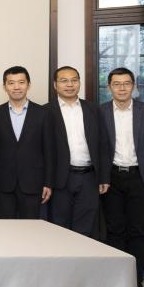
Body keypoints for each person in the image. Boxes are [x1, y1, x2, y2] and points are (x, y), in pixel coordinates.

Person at [99, 67, 144, 287]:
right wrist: (103, 177)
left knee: (138, 230)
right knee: (114, 230)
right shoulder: (100, 112)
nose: (122, 88)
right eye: (117, 84)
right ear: (109, 87)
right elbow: (99, 147)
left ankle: (136, 280)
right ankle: (116, 280)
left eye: (126, 83)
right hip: (112, 178)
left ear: (134, 86)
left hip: (139, 177)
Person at [45, 65, 109, 235]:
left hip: (89, 178)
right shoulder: (45, 111)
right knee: (59, 227)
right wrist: (46, 182)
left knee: (86, 228)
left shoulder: (93, 109)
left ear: (79, 83)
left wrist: (104, 177)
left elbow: (102, 144)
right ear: (55, 85)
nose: (69, 84)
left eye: (74, 80)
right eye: (64, 81)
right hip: (60, 179)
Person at [0, 66, 54, 219]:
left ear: (28, 85)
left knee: (31, 227)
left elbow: (49, 151)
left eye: (21, 82)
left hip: (33, 182)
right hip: (3, 183)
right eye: (11, 83)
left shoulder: (43, 113)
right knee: (5, 227)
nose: (16, 87)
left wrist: (48, 183)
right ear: (4, 86)